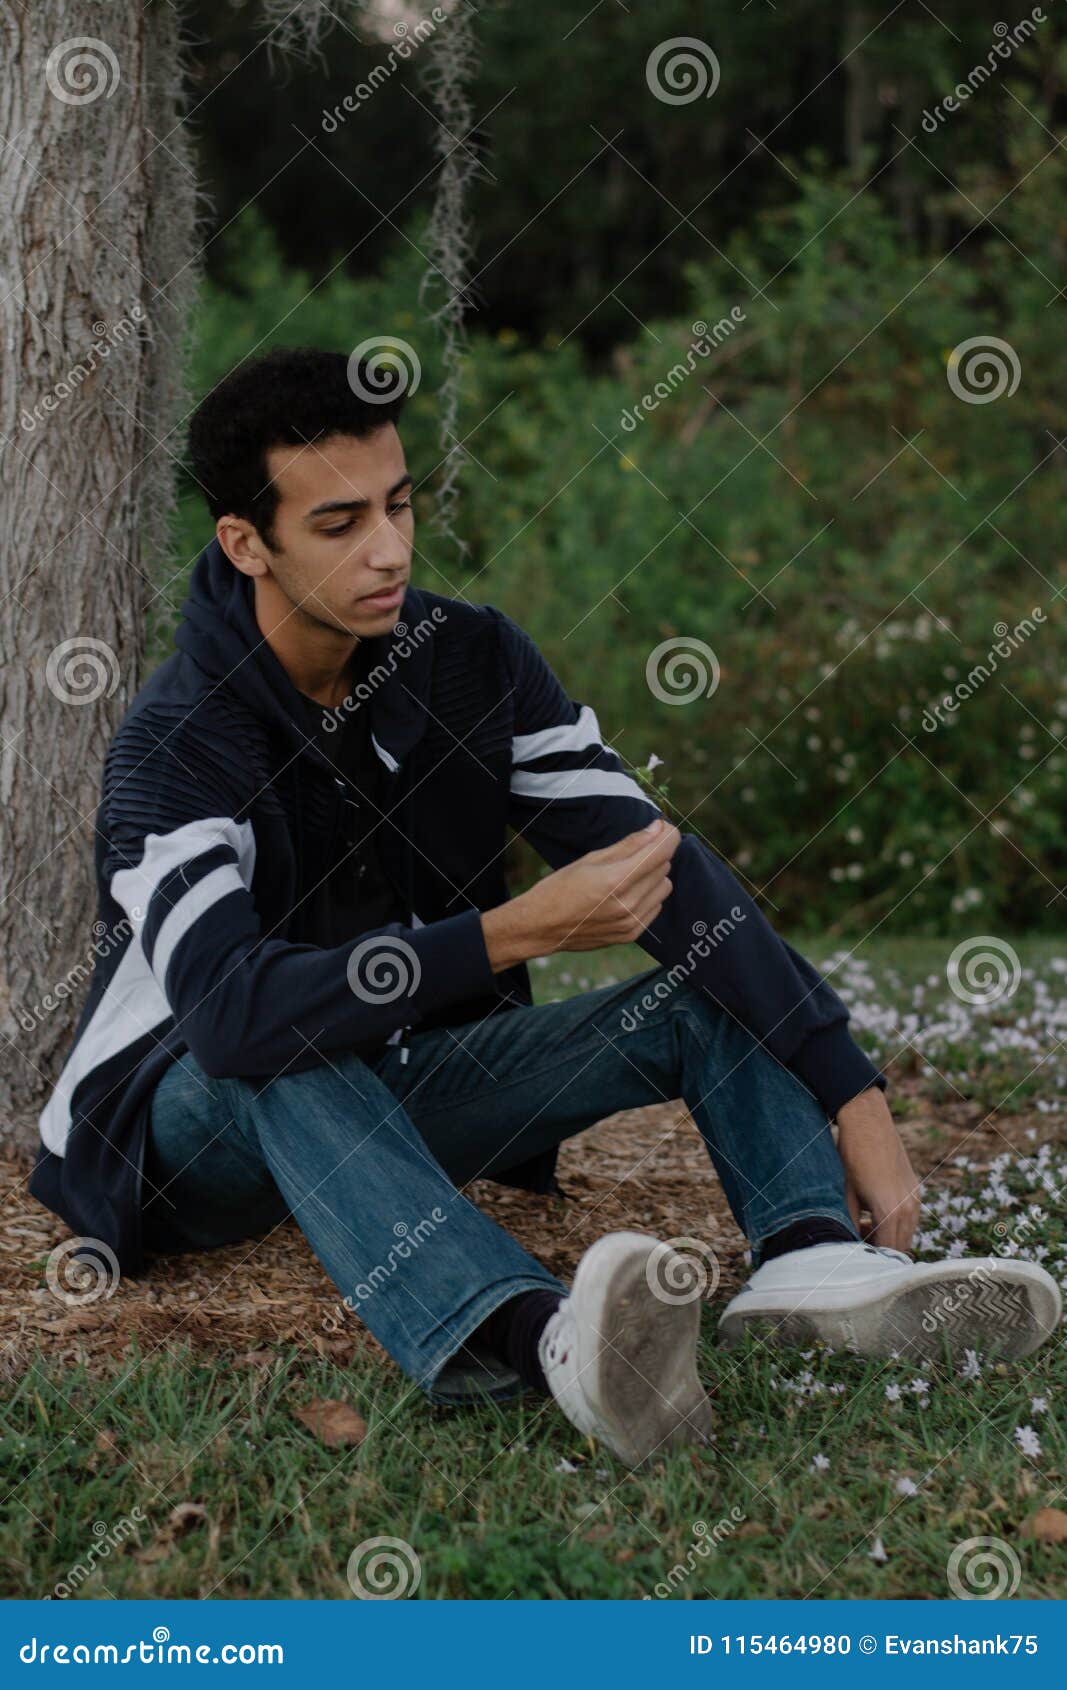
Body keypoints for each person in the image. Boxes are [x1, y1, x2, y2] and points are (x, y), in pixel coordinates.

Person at [29, 347, 1062, 1470]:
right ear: (246, 542)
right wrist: (512, 933)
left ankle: (810, 1259)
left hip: (397, 1081)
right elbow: (231, 1017)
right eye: (337, 525)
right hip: (179, 1136)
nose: (388, 550)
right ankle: (540, 1341)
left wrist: (851, 1091)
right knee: (281, 1043)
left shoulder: (466, 657)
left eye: (399, 504)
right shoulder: (178, 740)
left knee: (696, 976)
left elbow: (667, 871)